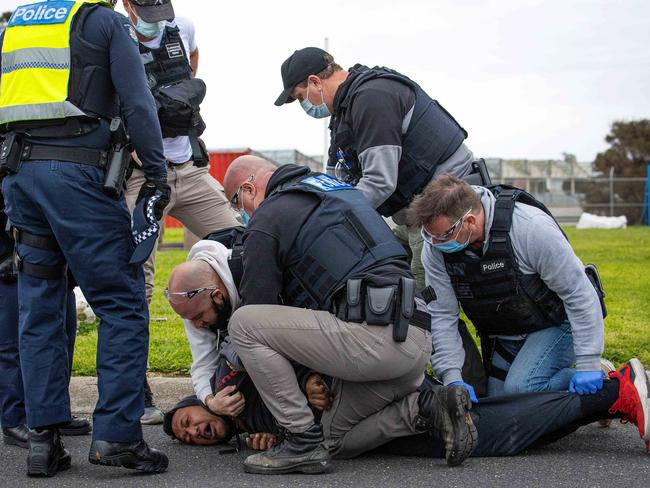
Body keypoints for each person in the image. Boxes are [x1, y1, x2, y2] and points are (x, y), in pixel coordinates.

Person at [222, 156, 477, 474]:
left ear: (248, 189)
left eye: (237, 203)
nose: (241, 213)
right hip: (414, 344)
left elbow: (257, 304)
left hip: (376, 342)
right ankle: (427, 407)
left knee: (244, 324)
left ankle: (300, 439)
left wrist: (232, 357)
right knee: (332, 440)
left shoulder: (270, 214)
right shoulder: (338, 191)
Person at [0, 0, 169, 477]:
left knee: (40, 304)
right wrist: (157, 175)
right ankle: (117, 435)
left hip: (20, 177)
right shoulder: (103, 21)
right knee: (121, 300)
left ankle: (42, 438)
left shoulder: (17, 25)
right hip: (77, 175)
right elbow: (138, 103)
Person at [121, 0, 240, 425]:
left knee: (245, 248)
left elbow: (187, 78)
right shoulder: (111, 29)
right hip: (138, 176)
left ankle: (243, 368)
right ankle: (136, 391)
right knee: (136, 280)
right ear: (126, 4)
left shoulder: (183, 26)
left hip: (188, 168)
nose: (157, 20)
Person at [274, 47, 483, 287]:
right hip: (411, 212)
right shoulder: (343, 113)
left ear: (314, 82)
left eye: (301, 97)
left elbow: (379, 182)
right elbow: (333, 182)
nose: (305, 106)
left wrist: (329, 224)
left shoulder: (371, 98)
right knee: (386, 267)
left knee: (420, 287)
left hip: (445, 207)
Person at [164, 357, 650, 457]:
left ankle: (614, 391)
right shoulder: (249, 434)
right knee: (497, 440)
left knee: (491, 431)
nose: (192, 431)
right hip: (384, 431)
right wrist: (263, 440)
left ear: (200, 403)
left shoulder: (237, 383)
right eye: (185, 436)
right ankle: (601, 399)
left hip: (386, 396)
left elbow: (298, 362)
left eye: (188, 420)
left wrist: (314, 381)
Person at [407, 176, 606, 399]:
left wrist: (589, 362)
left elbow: (578, 293)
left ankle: (609, 383)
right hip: (508, 332)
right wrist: (452, 377)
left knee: (523, 389)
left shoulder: (530, 227)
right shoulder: (436, 247)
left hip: (557, 322)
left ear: (470, 221)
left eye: (442, 236)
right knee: (499, 403)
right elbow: (442, 313)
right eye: (429, 236)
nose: (434, 244)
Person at [0, 202, 91, 448]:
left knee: (62, 331)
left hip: (45, 225)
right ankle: (15, 419)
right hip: (8, 246)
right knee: (14, 340)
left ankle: (52, 414)